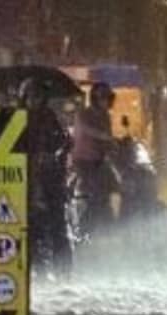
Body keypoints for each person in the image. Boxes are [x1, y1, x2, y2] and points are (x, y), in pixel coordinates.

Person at [18, 77, 72, 275]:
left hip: (50, 177)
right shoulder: (16, 118)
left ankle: (63, 269)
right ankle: (31, 265)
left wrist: (53, 153)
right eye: (31, 96)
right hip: (23, 177)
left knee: (57, 222)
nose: (35, 100)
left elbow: (62, 141)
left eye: (39, 96)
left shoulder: (49, 117)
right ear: (24, 97)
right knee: (28, 223)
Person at [70, 81, 117, 238]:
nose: (107, 102)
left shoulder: (105, 116)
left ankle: (109, 222)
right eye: (104, 98)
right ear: (96, 99)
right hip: (84, 160)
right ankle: (84, 226)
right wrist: (104, 136)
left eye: (108, 98)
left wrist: (116, 146)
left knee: (112, 186)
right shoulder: (83, 114)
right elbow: (88, 130)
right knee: (94, 192)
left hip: (100, 161)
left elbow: (108, 139)